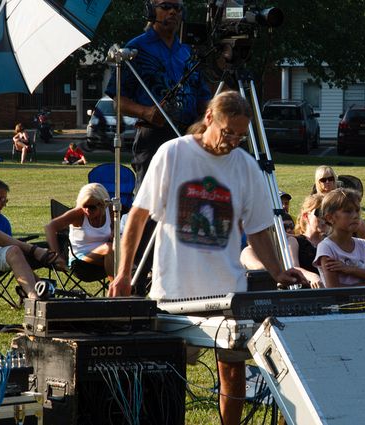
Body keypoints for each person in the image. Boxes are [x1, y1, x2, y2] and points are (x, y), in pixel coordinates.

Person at [107, 91, 305, 425]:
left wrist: (277, 271)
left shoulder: (245, 166)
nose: (232, 142)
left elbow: (257, 229)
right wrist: (123, 273)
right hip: (173, 287)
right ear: (209, 117)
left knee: (232, 366)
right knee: (168, 372)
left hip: (227, 289)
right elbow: (138, 217)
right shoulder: (173, 153)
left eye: (241, 136)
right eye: (228, 132)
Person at [105, 0, 211, 186]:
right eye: (166, 7)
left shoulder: (189, 50)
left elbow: (203, 97)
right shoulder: (135, 49)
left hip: (190, 137)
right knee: (151, 208)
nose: (173, 12)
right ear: (150, 11)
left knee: (190, 204)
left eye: (178, 8)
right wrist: (146, 112)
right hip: (153, 138)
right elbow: (118, 101)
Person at [0, 177, 63, 300]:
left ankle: (34, 298)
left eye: (5, 200)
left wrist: (39, 283)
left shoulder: (3, 222)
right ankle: (32, 249)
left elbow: (14, 256)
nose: (4, 203)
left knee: (14, 249)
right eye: (1, 199)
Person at [313, 188, 365, 287]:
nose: (355, 216)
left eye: (357, 211)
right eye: (348, 211)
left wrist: (349, 269)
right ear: (330, 218)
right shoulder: (326, 247)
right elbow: (333, 289)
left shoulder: (363, 245)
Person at [45, 183, 114, 279]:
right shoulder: (78, 214)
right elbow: (50, 227)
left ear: (102, 205)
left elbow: (114, 229)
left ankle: (125, 287)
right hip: (80, 261)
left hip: (106, 258)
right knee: (109, 248)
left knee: (119, 251)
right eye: (84, 206)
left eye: (92, 207)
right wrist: (57, 256)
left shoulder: (109, 210)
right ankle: (119, 290)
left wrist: (113, 233)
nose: (87, 210)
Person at [312, 165, 365, 239]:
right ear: (318, 182)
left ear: (334, 179)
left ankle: (364, 248)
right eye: (323, 180)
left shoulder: (341, 195)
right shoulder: (316, 199)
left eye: (330, 179)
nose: (327, 182)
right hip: (326, 224)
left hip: (343, 220)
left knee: (361, 224)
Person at [287, 194, 326, 287]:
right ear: (306, 216)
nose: (324, 218)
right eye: (319, 213)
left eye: (327, 213)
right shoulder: (295, 241)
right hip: (305, 293)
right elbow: (294, 267)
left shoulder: (330, 241)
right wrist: (313, 276)